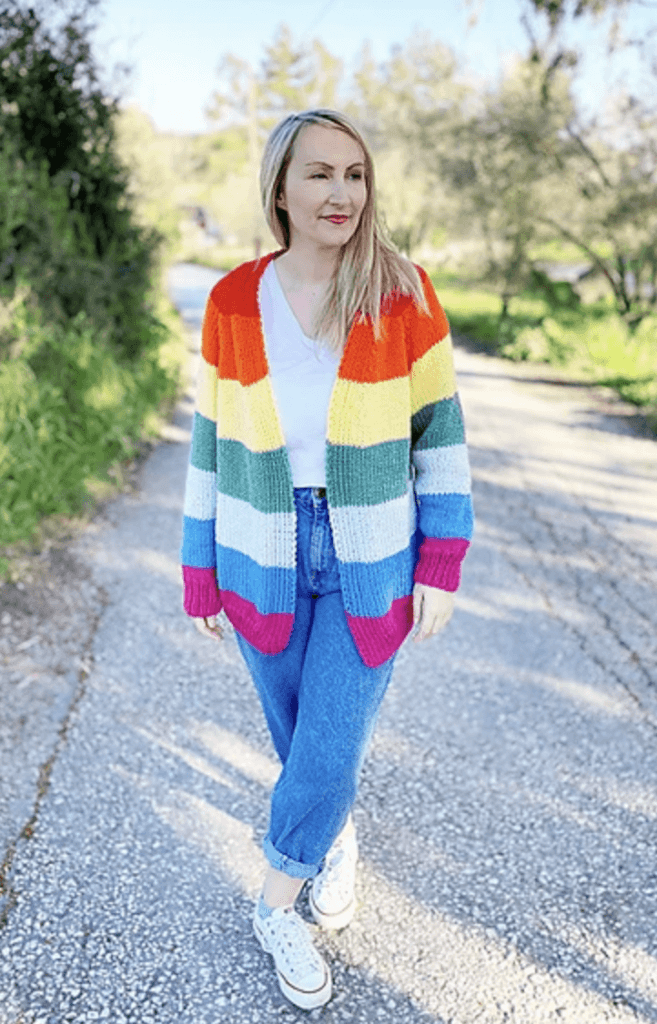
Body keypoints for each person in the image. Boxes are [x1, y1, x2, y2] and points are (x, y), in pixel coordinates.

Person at [181, 109, 473, 1010]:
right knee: (300, 740)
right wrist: (199, 568)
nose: (340, 192)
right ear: (279, 187)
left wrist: (441, 561)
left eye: (353, 174)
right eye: (318, 173)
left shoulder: (405, 293)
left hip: (371, 551)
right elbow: (207, 441)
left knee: (332, 739)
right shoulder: (233, 299)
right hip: (257, 546)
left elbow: (442, 437)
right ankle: (330, 838)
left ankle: (274, 904)